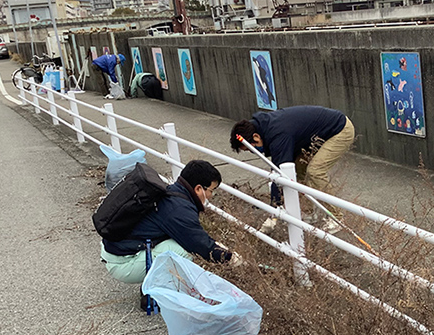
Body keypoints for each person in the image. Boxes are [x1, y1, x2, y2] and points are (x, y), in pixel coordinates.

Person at [100, 160, 242, 284]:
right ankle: (156, 291)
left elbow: (196, 236)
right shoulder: (179, 210)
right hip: (122, 262)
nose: (212, 196)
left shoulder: (173, 193)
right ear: (199, 189)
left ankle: (157, 285)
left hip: (116, 251)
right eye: (212, 190)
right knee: (185, 252)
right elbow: (201, 246)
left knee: (181, 244)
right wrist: (232, 259)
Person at [230, 105, 355, 234]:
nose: (253, 152)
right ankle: (309, 212)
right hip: (313, 136)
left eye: (250, 149)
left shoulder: (278, 133)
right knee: (299, 169)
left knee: (315, 171)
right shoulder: (266, 128)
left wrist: (274, 211)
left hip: (339, 130)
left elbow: (279, 173)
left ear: (256, 137)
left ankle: (337, 217)